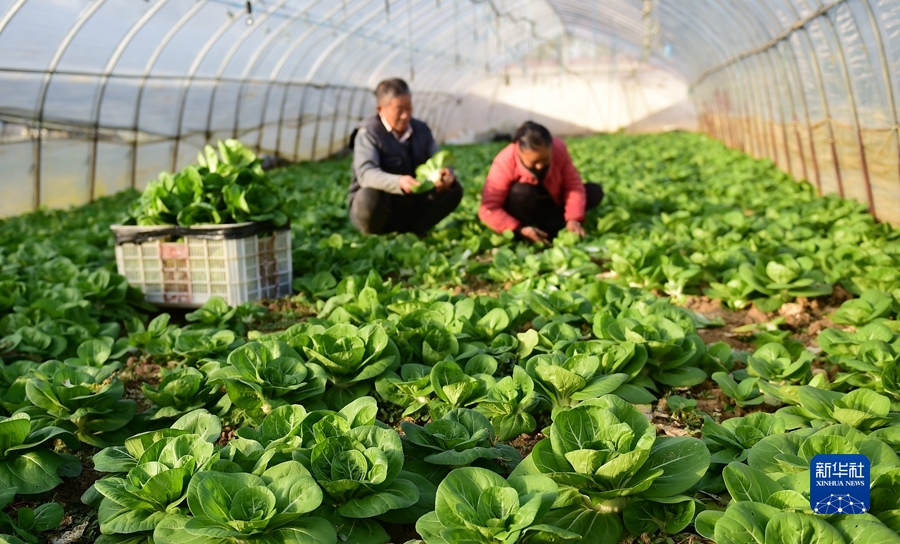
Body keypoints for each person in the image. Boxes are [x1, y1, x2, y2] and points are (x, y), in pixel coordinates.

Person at [348, 78, 462, 236]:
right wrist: (398, 182)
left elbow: (438, 158)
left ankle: (413, 232)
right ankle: (374, 235)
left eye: (409, 108)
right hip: (382, 206)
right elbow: (366, 173)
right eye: (399, 109)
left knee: (454, 190)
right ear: (380, 109)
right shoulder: (368, 133)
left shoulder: (421, 129)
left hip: (410, 203)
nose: (405, 115)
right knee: (369, 195)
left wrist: (446, 175)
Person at [478, 121, 604, 243]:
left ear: (551, 147)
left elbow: (573, 186)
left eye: (545, 159)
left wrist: (574, 219)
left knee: (594, 191)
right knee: (523, 191)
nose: (539, 166)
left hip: (550, 204)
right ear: (519, 151)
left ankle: (551, 224)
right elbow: (489, 208)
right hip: (522, 209)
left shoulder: (559, 149)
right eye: (533, 162)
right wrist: (519, 228)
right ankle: (531, 229)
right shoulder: (505, 161)